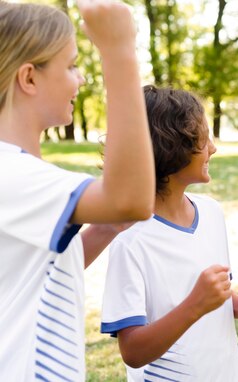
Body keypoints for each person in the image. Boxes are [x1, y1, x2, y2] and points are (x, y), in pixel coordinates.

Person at [0, 0, 154, 380]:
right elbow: (131, 200)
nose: (80, 79)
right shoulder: (11, 172)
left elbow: (32, 275)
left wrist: (104, 229)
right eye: (70, 66)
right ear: (29, 78)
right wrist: (118, 50)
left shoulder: (18, 171)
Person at [100, 85, 238, 381]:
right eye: (203, 138)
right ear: (172, 147)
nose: (213, 148)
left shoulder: (211, 213)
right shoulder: (130, 240)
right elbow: (132, 351)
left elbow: (212, 299)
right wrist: (195, 304)